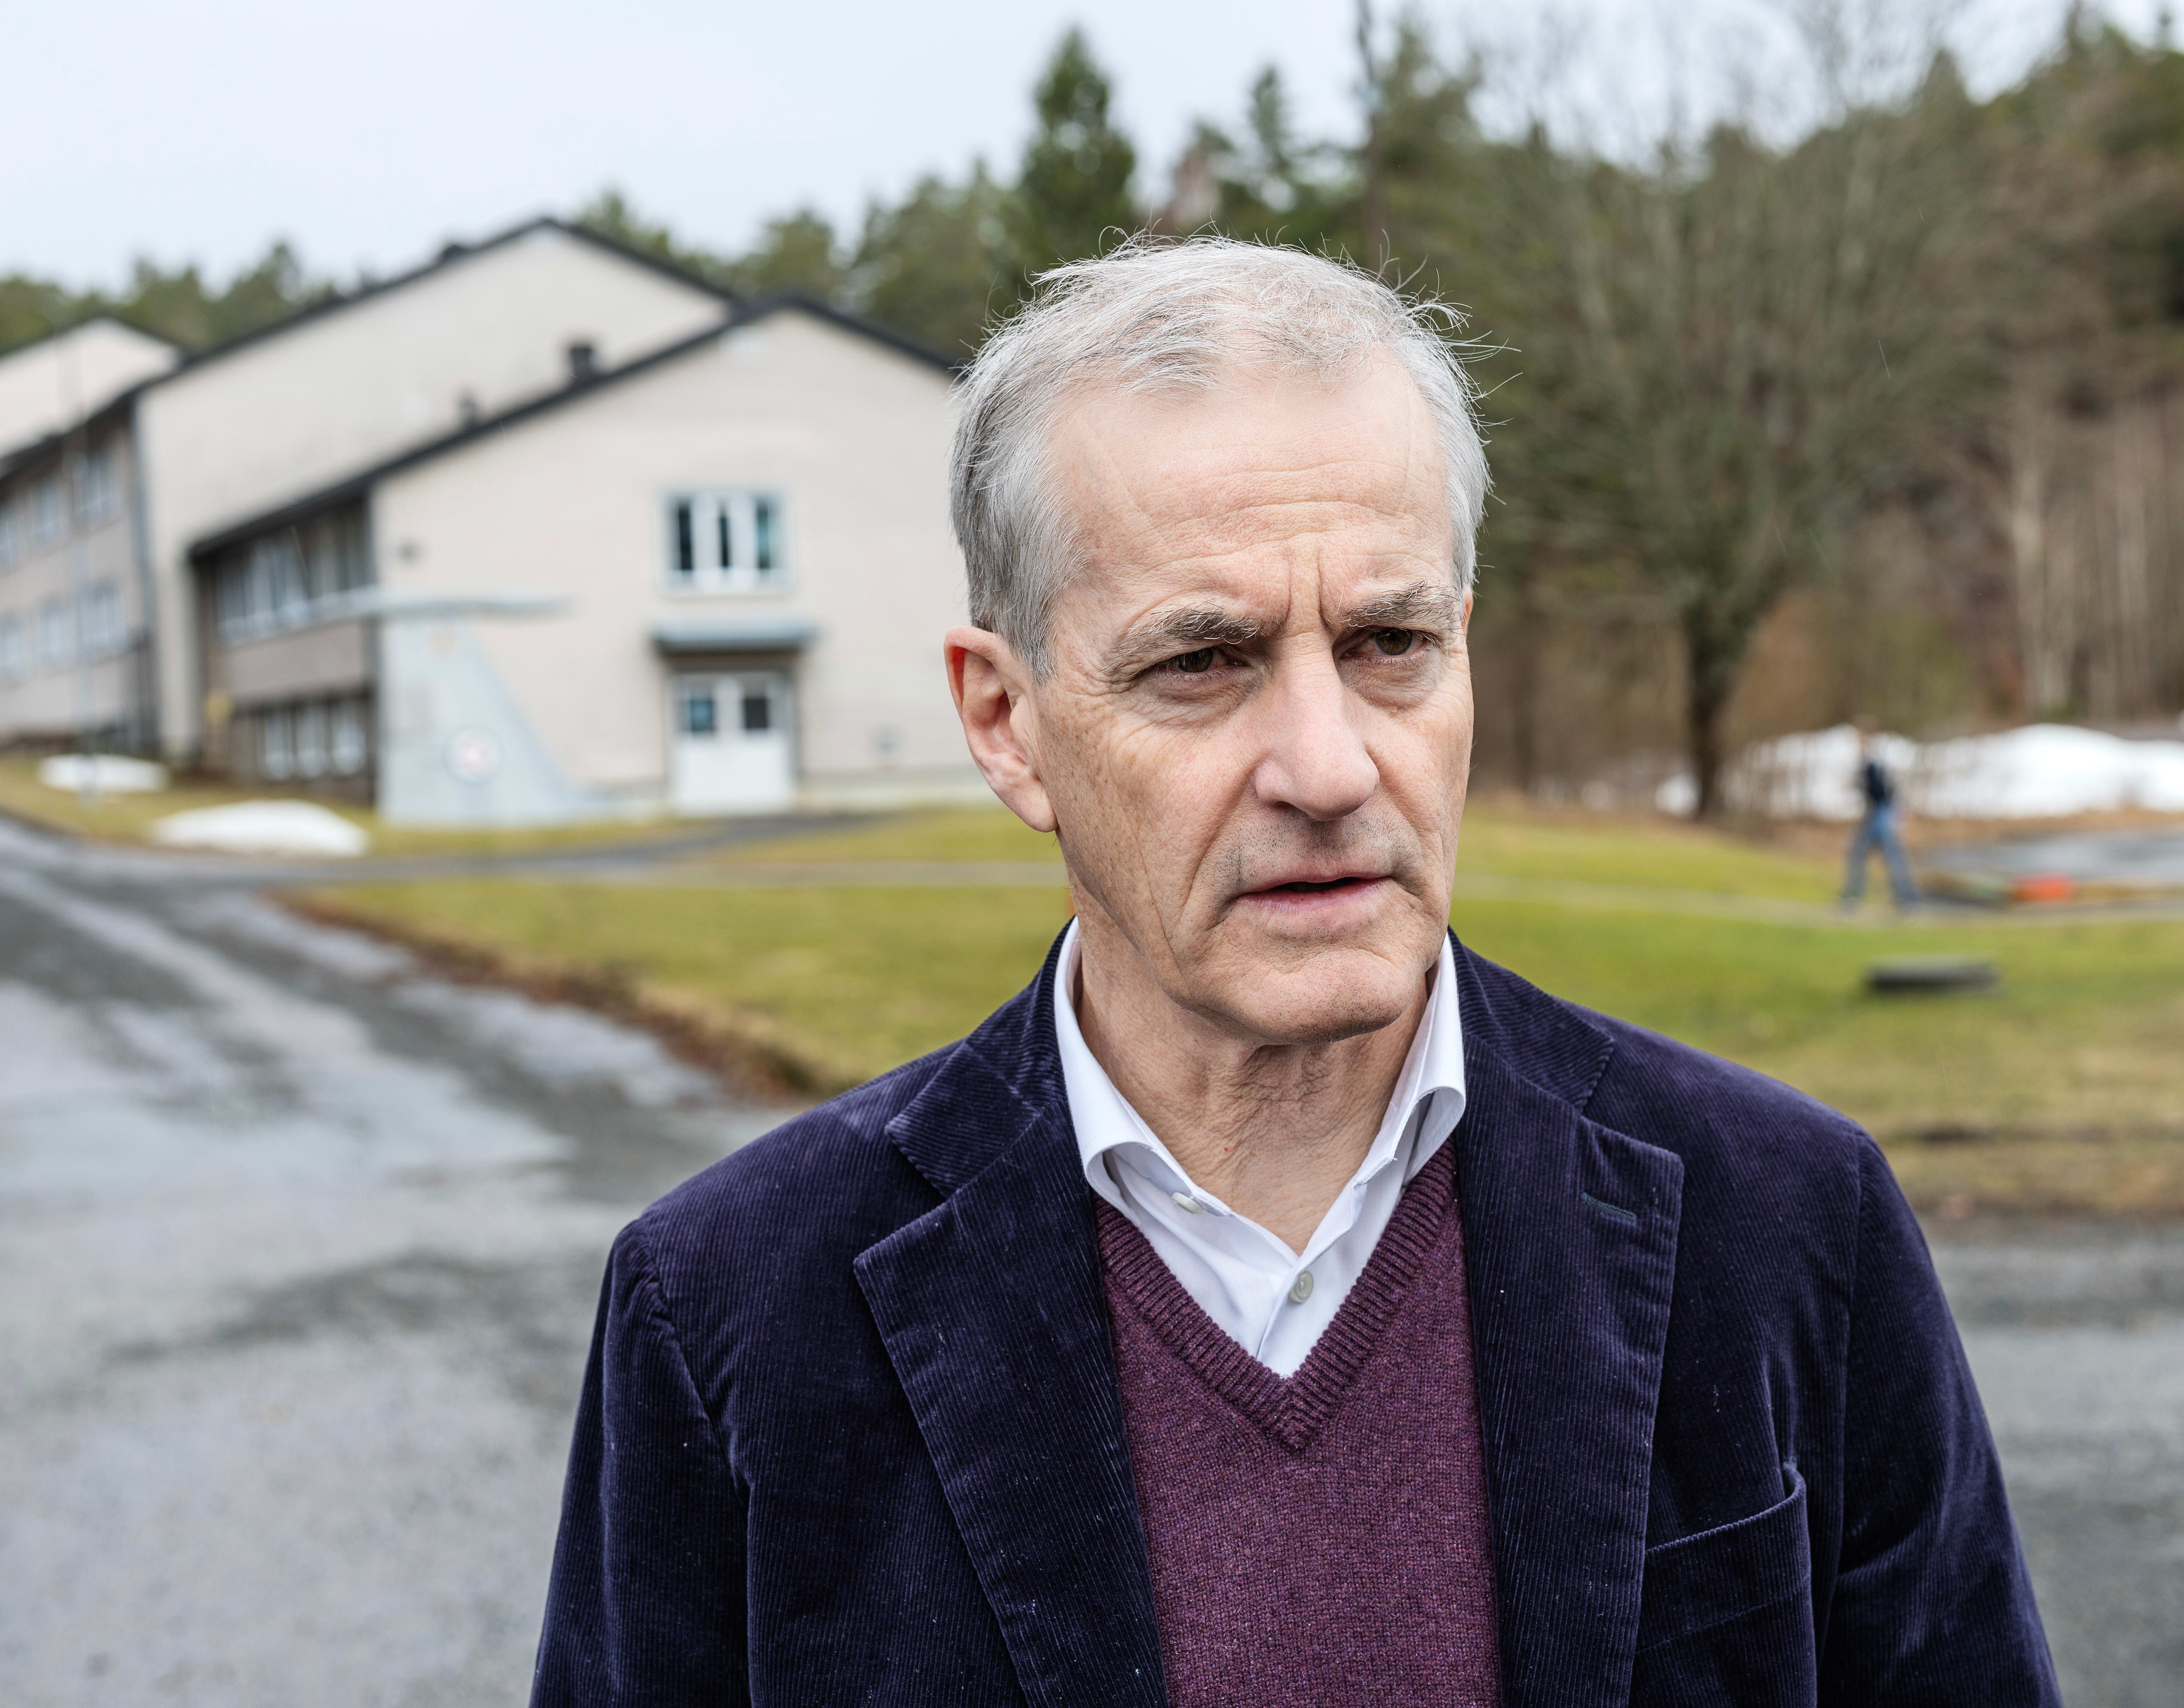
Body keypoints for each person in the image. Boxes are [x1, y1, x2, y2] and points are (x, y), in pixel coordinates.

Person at [531, 240, 2057, 1707]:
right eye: (1202, 662)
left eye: (1390, 642)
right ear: (1006, 722)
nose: (1328, 767)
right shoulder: (732, 1312)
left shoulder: (1787, 1222)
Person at [1841, 723, 1919, 912]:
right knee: (1874, 857)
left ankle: (1906, 900)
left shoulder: (1874, 764)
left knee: (1884, 857)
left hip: (1881, 815)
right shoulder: (1870, 764)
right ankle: (1905, 899)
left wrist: (1895, 815)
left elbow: (1884, 792)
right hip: (1878, 814)